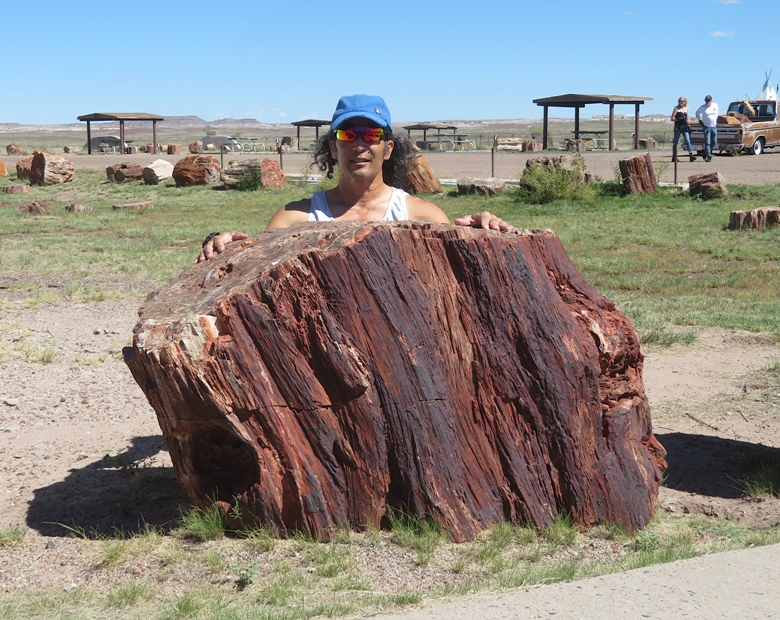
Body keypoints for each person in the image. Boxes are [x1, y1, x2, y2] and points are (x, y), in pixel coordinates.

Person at [196, 94, 514, 263]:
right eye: (349, 134)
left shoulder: (423, 216)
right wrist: (224, 243)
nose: (360, 144)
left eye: (371, 134)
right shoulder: (295, 218)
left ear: (388, 149)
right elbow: (256, 263)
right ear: (333, 148)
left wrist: (484, 229)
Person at [670, 97, 696, 162]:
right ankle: (674, 156)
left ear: (685, 102)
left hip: (684, 127)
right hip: (678, 127)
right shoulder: (676, 109)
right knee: (676, 142)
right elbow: (672, 118)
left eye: (682, 101)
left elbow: (687, 119)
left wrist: (689, 126)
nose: (680, 102)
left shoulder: (686, 109)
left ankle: (691, 155)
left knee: (687, 140)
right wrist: (678, 120)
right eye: (679, 101)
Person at [695, 95, 719, 162]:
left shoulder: (715, 105)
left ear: (711, 100)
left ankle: (705, 153)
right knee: (707, 142)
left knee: (714, 142)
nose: (707, 102)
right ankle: (709, 156)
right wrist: (700, 120)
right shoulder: (703, 107)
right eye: (706, 100)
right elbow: (697, 113)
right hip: (706, 127)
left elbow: (717, 113)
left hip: (713, 126)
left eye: (708, 100)